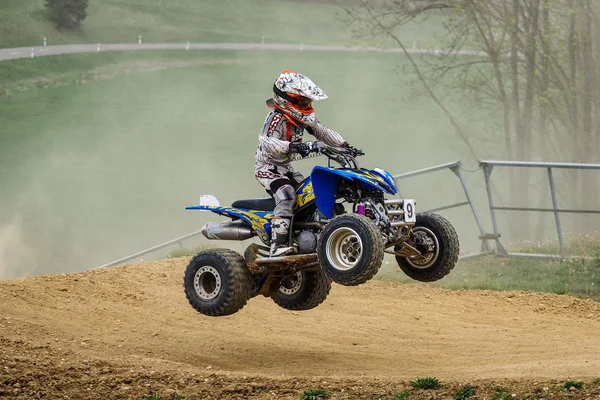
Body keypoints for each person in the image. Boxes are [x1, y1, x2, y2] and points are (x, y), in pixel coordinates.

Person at [254, 70, 353, 256]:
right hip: (268, 169)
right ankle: (278, 245)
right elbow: (266, 142)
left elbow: (322, 131)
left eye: (308, 101)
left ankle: (309, 236)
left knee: (309, 196)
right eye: (302, 102)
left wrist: (343, 144)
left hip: (286, 168)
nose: (306, 105)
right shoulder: (276, 118)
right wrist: (294, 146)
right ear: (286, 99)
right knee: (287, 196)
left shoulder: (302, 118)